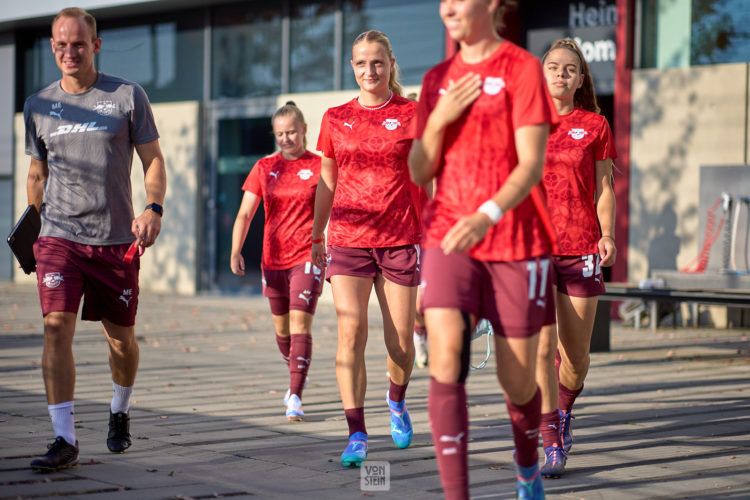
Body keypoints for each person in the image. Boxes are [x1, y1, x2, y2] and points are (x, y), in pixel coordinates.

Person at [408, 1, 557, 498]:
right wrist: (436, 121)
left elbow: (531, 165)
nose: (447, 6)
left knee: (517, 381)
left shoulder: (522, 68)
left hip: (515, 240)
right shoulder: (436, 79)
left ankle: (527, 464)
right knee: (446, 354)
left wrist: (486, 215)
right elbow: (419, 171)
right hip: (448, 234)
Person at [24, 7, 166, 472]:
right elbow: (37, 172)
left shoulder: (126, 96)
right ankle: (64, 438)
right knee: (55, 328)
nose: (70, 52)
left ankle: (119, 409)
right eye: (61, 45)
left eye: (79, 44)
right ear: (52, 47)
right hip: (59, 238)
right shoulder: (38, 105)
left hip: (114, 243)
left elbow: (153, 161)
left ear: (96, 45)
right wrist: (33, 229)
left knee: (121, 341)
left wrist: (153, 207)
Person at [311, 30, 422, 467]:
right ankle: (356, 431)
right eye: (361, 63)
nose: (369, 71)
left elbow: (427, 175)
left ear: (391, 65)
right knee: (350, 332)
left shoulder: (413, 114)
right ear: (352, 67)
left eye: (377, 62)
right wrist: (315, 234)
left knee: (400, 345)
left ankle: (396, 399)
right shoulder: (335, 117)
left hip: (399, 238)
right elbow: (327, 180)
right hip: (348, 239)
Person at [535, 38, 617, 478]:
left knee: (575, 356)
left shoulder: (595, 126)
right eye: (553, 67)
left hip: (581, 247)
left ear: (580, 79)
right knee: (542, 347)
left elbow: (604, 189)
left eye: (569, 69)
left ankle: (564, 409)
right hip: (533, 250)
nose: (561, 75)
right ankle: (551, 440)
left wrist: (608, 236)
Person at [230, 102, 322, 422]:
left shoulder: (321, 166)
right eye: (280, 133)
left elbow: (336, 212)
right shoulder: (264, 167)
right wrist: (236, 249)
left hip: (307, 258)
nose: (286, 139)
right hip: (273, 260)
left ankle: (295, 395)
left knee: (300, 325)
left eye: (292, 132)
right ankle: (297, 369)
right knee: (282, 331)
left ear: (304, 130)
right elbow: (245, 213)